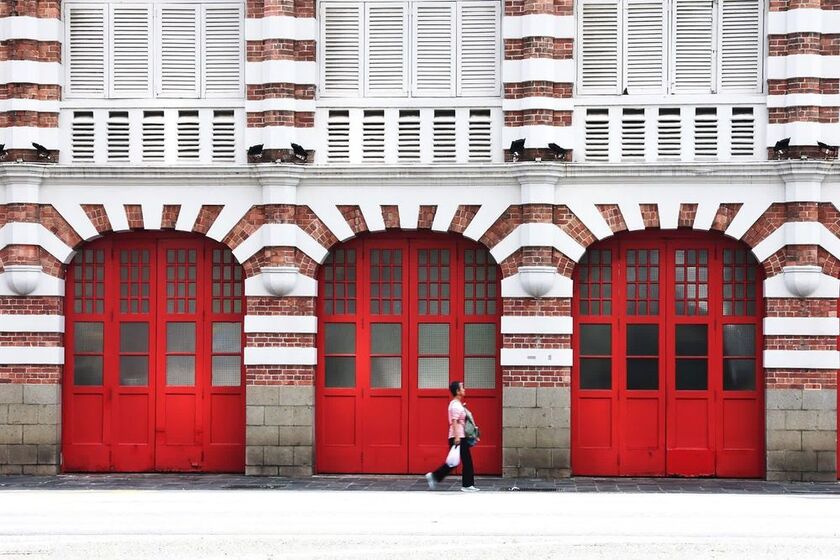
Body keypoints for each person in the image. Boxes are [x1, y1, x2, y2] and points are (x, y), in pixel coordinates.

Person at [425, 380, 479, 492]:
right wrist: (457, 437)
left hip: (459, 436)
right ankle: (467, 485)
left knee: (453, 462)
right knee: (466, 461)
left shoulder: (457, 404)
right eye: (462, 388)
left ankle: (435, 476)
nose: (464, 390)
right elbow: (454, 421)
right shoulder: (455, 405)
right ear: (458, 391)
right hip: (458, 437)